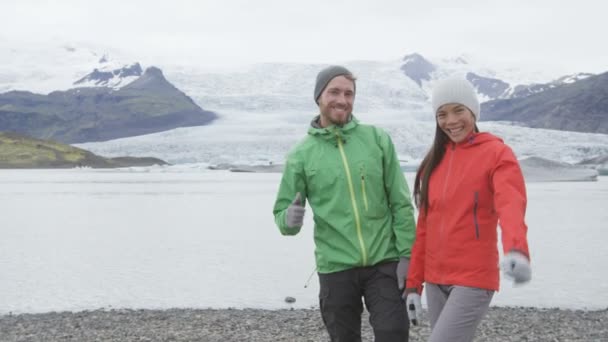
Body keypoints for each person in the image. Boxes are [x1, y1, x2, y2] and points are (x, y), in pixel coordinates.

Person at [273, 65, 416, 342]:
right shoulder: (301, 155)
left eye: (349, 93)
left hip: (384, 262)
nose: (342, 99)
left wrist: (407, 255)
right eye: (334, 92)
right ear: (319, 97)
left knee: (394, 334)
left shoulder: (377, 140)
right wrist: (288, 219)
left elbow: (400, 202)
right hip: (335, 267)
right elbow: (281, 216)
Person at [405, 78, 532, 342]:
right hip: (436, 279)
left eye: (458, 110)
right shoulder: (434, 162)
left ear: (473, 111)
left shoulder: (497, 154)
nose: (450, 120)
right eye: (442, 114)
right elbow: (424, 228)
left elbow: (511, 204)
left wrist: (517, 249)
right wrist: (414, 285)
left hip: (473, 277)